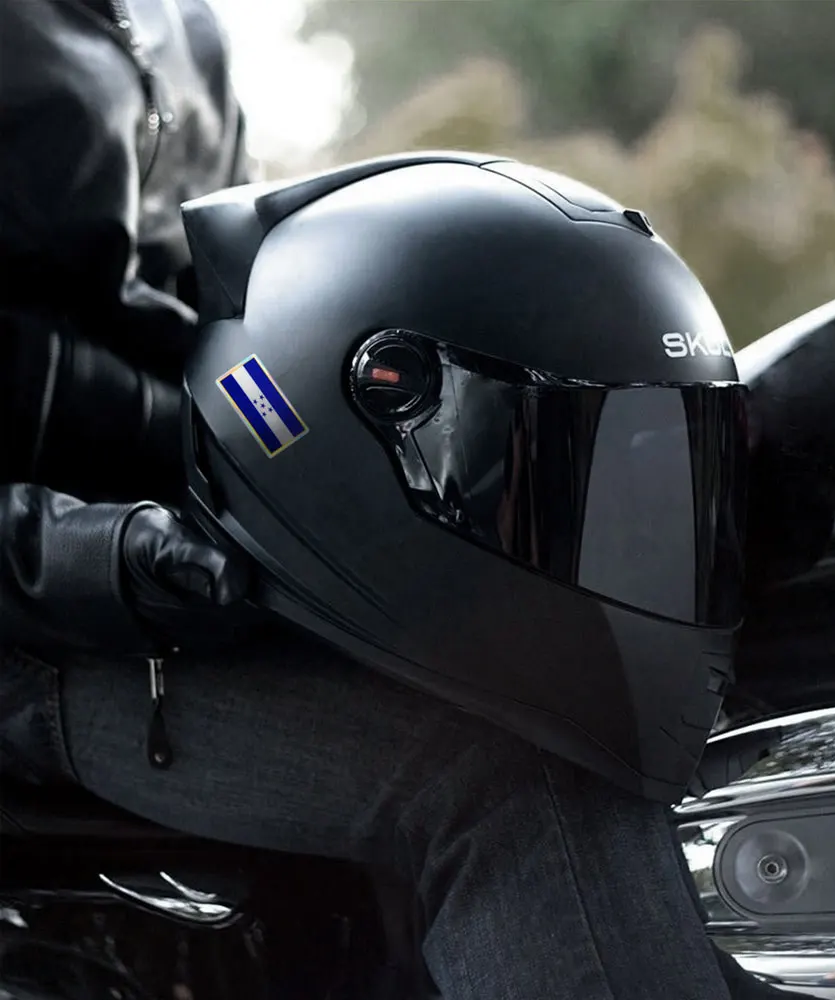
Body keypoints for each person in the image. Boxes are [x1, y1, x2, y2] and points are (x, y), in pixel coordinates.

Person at [0, 2, 793, 998]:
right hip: (50, 621)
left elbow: (209, 316)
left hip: (214, 547)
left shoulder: (178, 26)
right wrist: (89, 558)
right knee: (520, 763)